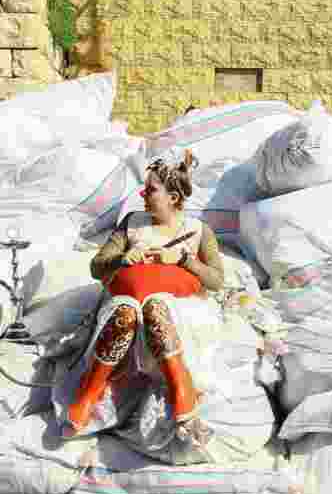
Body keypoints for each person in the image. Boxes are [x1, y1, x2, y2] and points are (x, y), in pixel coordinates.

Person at [57, 148, 225, 439]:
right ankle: (89, 392)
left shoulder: (199, 231)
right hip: (127, 308)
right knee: (126, 313)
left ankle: (180, 386)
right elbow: (97, 267)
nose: (143, 195)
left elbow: (216, 281)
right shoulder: (131, 224)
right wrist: (122, 259)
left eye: (151, 190)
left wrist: (184, 261)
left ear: (173, 198)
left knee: (155, 307)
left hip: (181, 313)